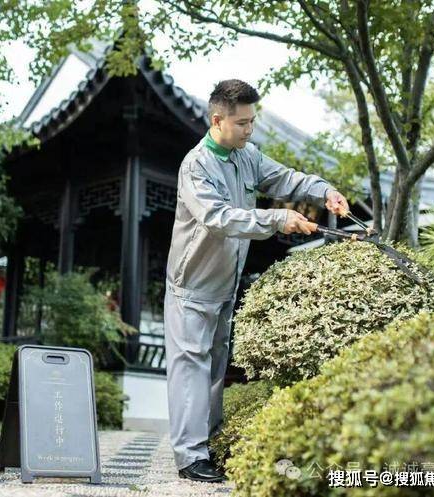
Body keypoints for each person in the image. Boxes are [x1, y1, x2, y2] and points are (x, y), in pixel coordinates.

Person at [163, 79, 349, 483]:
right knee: (190, 367)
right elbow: (218, 218)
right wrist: (278, 218)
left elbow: (287, 179)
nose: (250, 130)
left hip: (225, 285)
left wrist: (325, 191)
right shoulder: (196, 167)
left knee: (214, 368)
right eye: (242, 123)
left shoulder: (247, 156)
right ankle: (189, 457)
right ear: (218, 120)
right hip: (191, 286)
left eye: (252, 121)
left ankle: (208, 447)